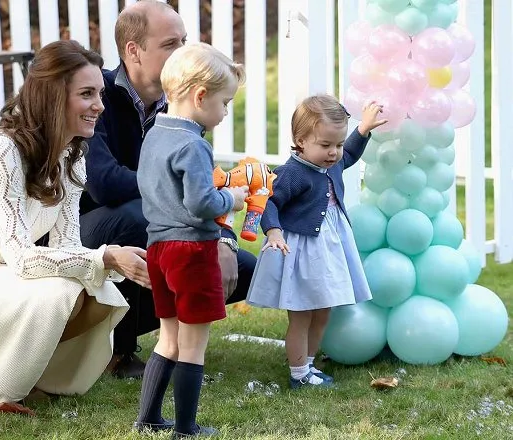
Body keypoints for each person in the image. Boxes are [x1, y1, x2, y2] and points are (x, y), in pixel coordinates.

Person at [0, 40, 150, 415]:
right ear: (53, 97)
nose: (100, 106)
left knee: (96, 289)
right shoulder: (1, 151)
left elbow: (68, 245)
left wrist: (101, 263)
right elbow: (23, 260)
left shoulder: (71, 158)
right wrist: (105, 256)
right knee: (60, 289)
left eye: (100, 94)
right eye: (86, 94)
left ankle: (40, 377)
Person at [79, 0, 256, 379]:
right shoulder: (98, 96)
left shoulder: (182, 104)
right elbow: (104, 184)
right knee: (137, 215)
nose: (184, 52)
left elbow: (203, 181)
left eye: (185, 41)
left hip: (156, 223)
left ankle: (163, 338)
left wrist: (224, 239)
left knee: (243, 271)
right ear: (133, 51)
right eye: (171, 43)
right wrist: (167, 189)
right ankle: (120, 351)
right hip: (90, 235)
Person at [135, 42, 247, 438]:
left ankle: (148, 418)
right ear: (200, 96)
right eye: (224, 102)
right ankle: (186, 427)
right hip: (192, 251)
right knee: (194, 345)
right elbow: (201, 202)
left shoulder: (154, 134)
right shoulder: (194, 144)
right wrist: (230, 198)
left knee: (168, 338)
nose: (225, 111)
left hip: (158, 248)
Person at [246, 95, 387, 389]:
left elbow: (348, 154)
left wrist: (363, 130)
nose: (334, 152)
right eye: (326, 145)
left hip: (330, 247)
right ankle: (298, 373)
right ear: (301, 140)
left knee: (323, 309)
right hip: (302, 251)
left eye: (336, 144)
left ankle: (308, 365)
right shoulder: (293, 173)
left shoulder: (332, 159)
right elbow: (267, 201)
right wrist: (273, 230)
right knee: (302, 313)